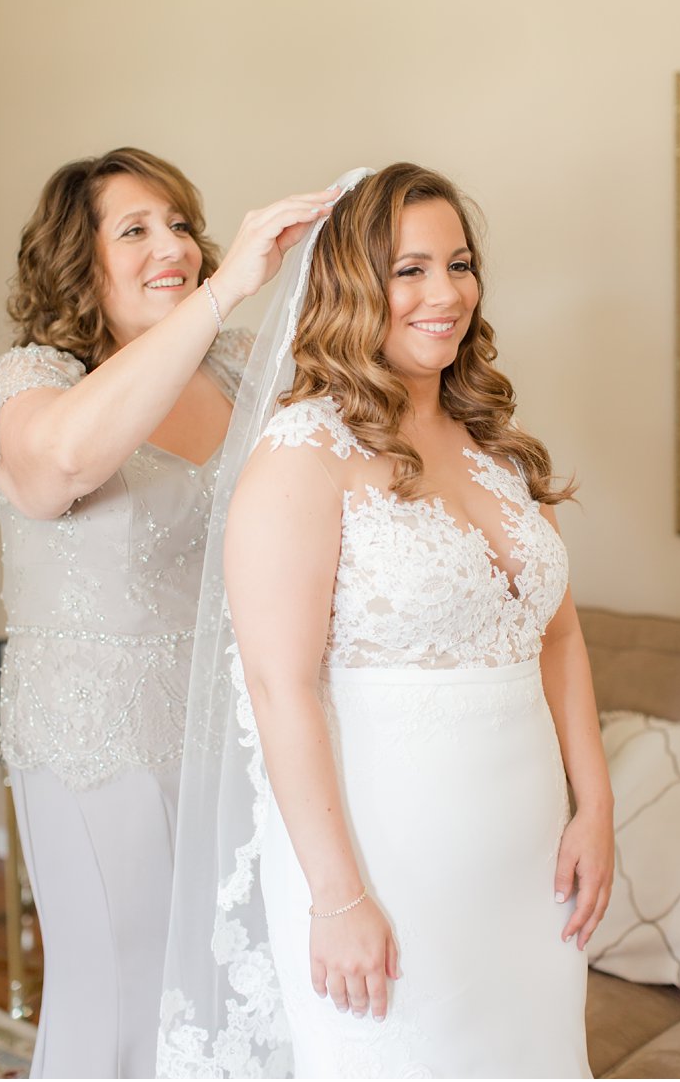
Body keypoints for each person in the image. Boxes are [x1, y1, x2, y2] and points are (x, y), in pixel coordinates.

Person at [158, 163, 613, 1078]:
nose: (445, 293)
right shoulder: (300, 458)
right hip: (383, 866)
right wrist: (337, 896)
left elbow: (556, 634)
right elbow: (278, 689)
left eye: (459, 262)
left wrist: (595, 804)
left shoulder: (497, 448)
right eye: (410, 269)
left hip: (529, 871)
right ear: (351, 286)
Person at [0, 147, 338, 1078]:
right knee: (123, 998)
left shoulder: (240, 368)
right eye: (134, 229)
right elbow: (62, 466)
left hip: (234, 737)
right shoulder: (29, 381)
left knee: (230, 992)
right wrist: (225, 289)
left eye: (179, 223)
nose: (170, 243)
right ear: (75, 260)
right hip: (101, 751)